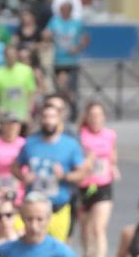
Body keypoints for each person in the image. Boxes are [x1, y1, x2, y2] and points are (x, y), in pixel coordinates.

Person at [14, 99, 88, 241]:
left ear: (59, 119)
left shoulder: (70, 145)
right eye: (45, 117)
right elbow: (15, 167)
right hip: (33, 209)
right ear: (40, 119)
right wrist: (24, 176)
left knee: (57, 250)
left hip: (58, 209)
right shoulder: (30, 143)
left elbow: (82, 173)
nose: (48, 121)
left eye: (52, 117)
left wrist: (65, 176)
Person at [77, 100, 119, 257]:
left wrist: (114, 166)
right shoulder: (80, 136)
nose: (95, 119)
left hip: (103, 184)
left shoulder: (110, 135)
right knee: (86, 229)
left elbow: (113, 154)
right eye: (92, 115)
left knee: (98, 228)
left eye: (99, 115)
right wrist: (86, 162)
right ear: (86, 117)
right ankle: (88, 255)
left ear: (104, 117)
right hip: (83, 186)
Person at [44, 0, 89, 103]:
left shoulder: (77, 23)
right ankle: (64, 104)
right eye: (61, 9)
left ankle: (72, 107)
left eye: (65, 9)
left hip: (72, 60)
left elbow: (85, 38)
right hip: (58, 59)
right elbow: (46, 33)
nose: (62, 12)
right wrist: (47, 36)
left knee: (71, 88)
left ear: (70, 11)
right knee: (60, 84)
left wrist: (77, 48)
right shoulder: (54, 21)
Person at [0, 42, 38, 125]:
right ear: (4, 56)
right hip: (5, 116)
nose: (11, 57)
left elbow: (31, 92)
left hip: (23, 115)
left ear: (17, 55)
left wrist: (28, 112)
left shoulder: (27, 71)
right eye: (8, 55)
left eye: (13, 54)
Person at [0, 112, 27, 197]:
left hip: (19, 187)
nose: (12, 127)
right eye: (9, 123)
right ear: (2, 125)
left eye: (15, 124)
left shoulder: (25, 144)